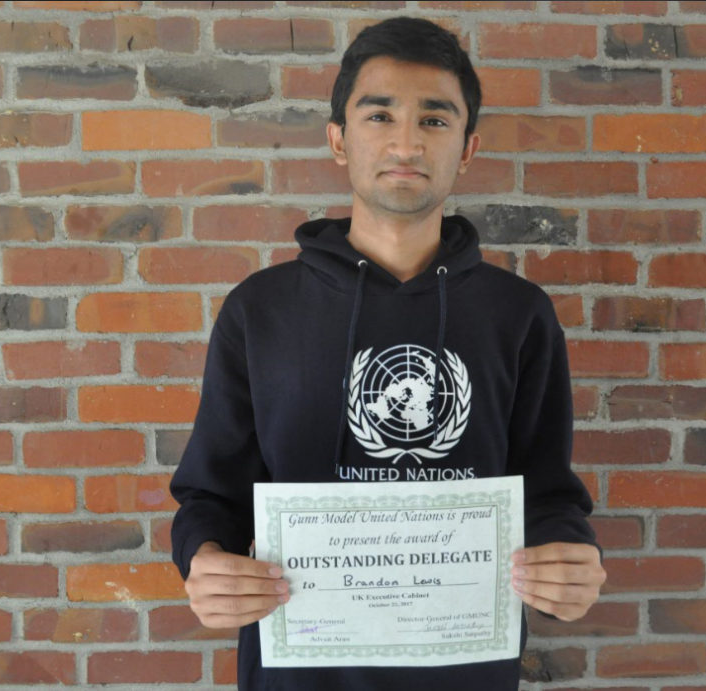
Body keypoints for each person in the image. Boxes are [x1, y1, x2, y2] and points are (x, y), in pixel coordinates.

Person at [168, 15, 605, 691]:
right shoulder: (259, 310)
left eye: (434, 120)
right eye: (378, 116)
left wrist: (571, 557)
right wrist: (203, 560)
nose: (405, 141)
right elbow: (209, 495)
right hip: (300, 672)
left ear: (466, 147)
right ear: (338, 140)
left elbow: (546, 492)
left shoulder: (517, 314)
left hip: (466, 669)